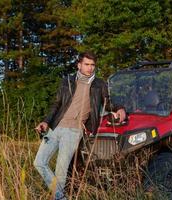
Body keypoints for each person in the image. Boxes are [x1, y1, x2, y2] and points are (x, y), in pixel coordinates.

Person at [33, 52, 126, 200]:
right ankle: (60, 196)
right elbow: (56, 104)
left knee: (61, 170)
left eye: (92, 65)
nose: (90, 68)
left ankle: (57, 197)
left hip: (74, 131)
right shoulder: (67, 81)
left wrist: (119, 108)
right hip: (55, 127)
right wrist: (46, 122)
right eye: (87, 64)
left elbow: (109, 102)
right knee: (39, 163)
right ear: (79, 65)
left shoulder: (99, 84)